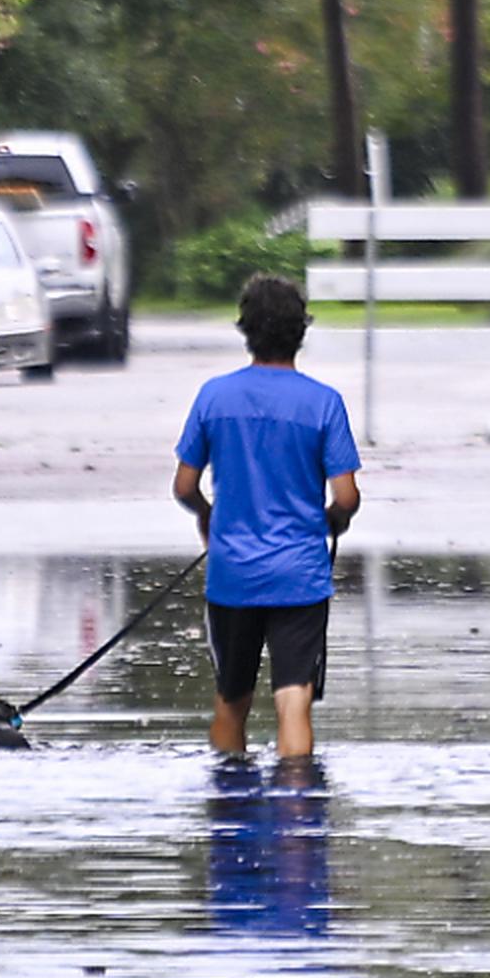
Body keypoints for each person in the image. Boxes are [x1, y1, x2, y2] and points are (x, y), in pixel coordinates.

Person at [173, 273, 362, 758]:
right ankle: (298, 816)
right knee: (293, 700)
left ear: (246, 330)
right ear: (301, 331)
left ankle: (229, 806)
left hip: (232, 573)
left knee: (231, 700)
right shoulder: (324, 403)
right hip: (300, 574)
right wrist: (332, 522)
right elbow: (346, 497)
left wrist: (207, 516)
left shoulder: (214, 397)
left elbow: (184, 486)